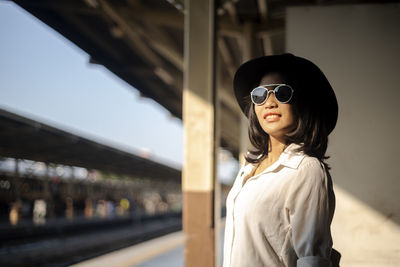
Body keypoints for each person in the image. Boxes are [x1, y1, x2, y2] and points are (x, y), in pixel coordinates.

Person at [223, 53, 340, 267]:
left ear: (302, 104)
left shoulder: (306, 170)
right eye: (259, 95)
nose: (269, 102)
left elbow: (312, 260)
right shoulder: (249, 167)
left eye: (282, 92)